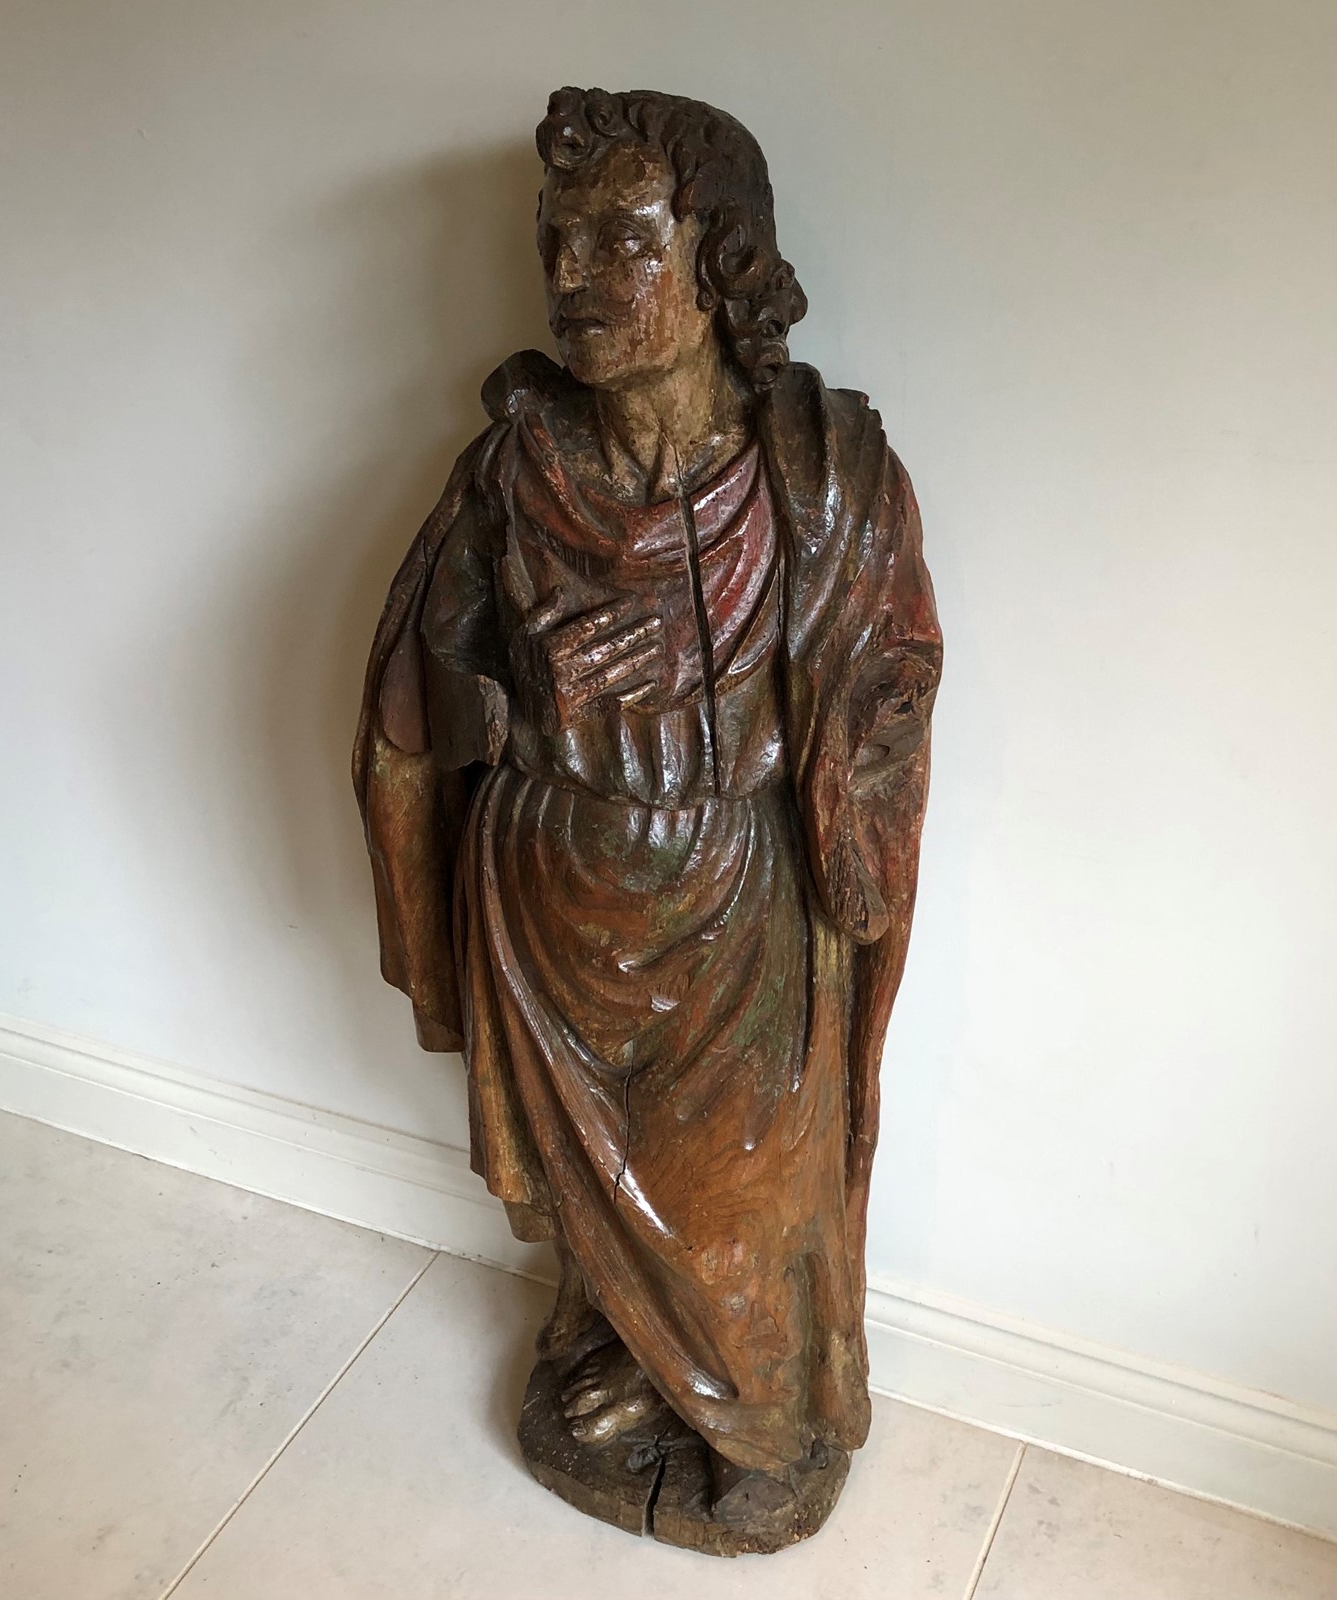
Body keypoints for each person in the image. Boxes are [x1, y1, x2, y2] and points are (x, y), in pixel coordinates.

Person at [354, 86, 941, 1540]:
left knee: (742, 1190)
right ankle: (625, 1350)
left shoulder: (829, 481)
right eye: (556, 241)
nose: (574, 276)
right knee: (589, 1188)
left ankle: (763, 1417)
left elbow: (893, 685)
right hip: (549, 882)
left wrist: (746, 704)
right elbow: (422, 694)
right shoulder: (515, 467)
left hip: (741, 897)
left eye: (623, 239)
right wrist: (517, 685)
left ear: (720, 258)